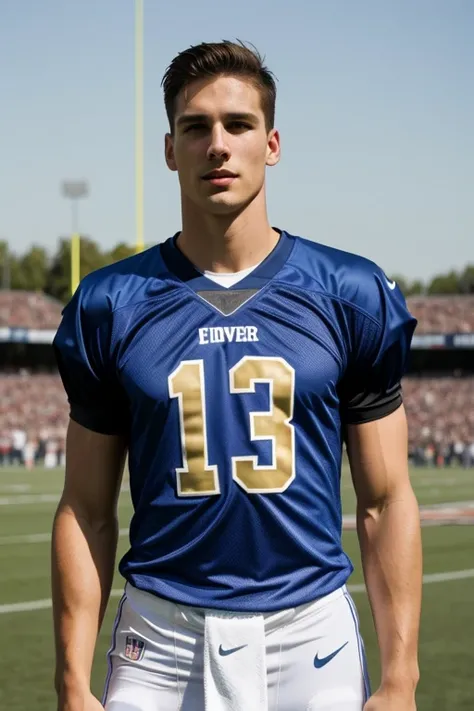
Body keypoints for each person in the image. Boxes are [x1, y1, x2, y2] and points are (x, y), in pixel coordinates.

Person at [52, 41, 422, 711]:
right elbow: (85, 507)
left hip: (309, 634)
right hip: (159, 639)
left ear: (272, 144)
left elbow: (385, 500)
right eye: (196, 128)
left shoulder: (349, 291)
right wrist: (72, 680)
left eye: (238, 125)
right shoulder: (111, 303)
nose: (217, 145)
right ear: (170, 149)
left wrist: (402, 675)